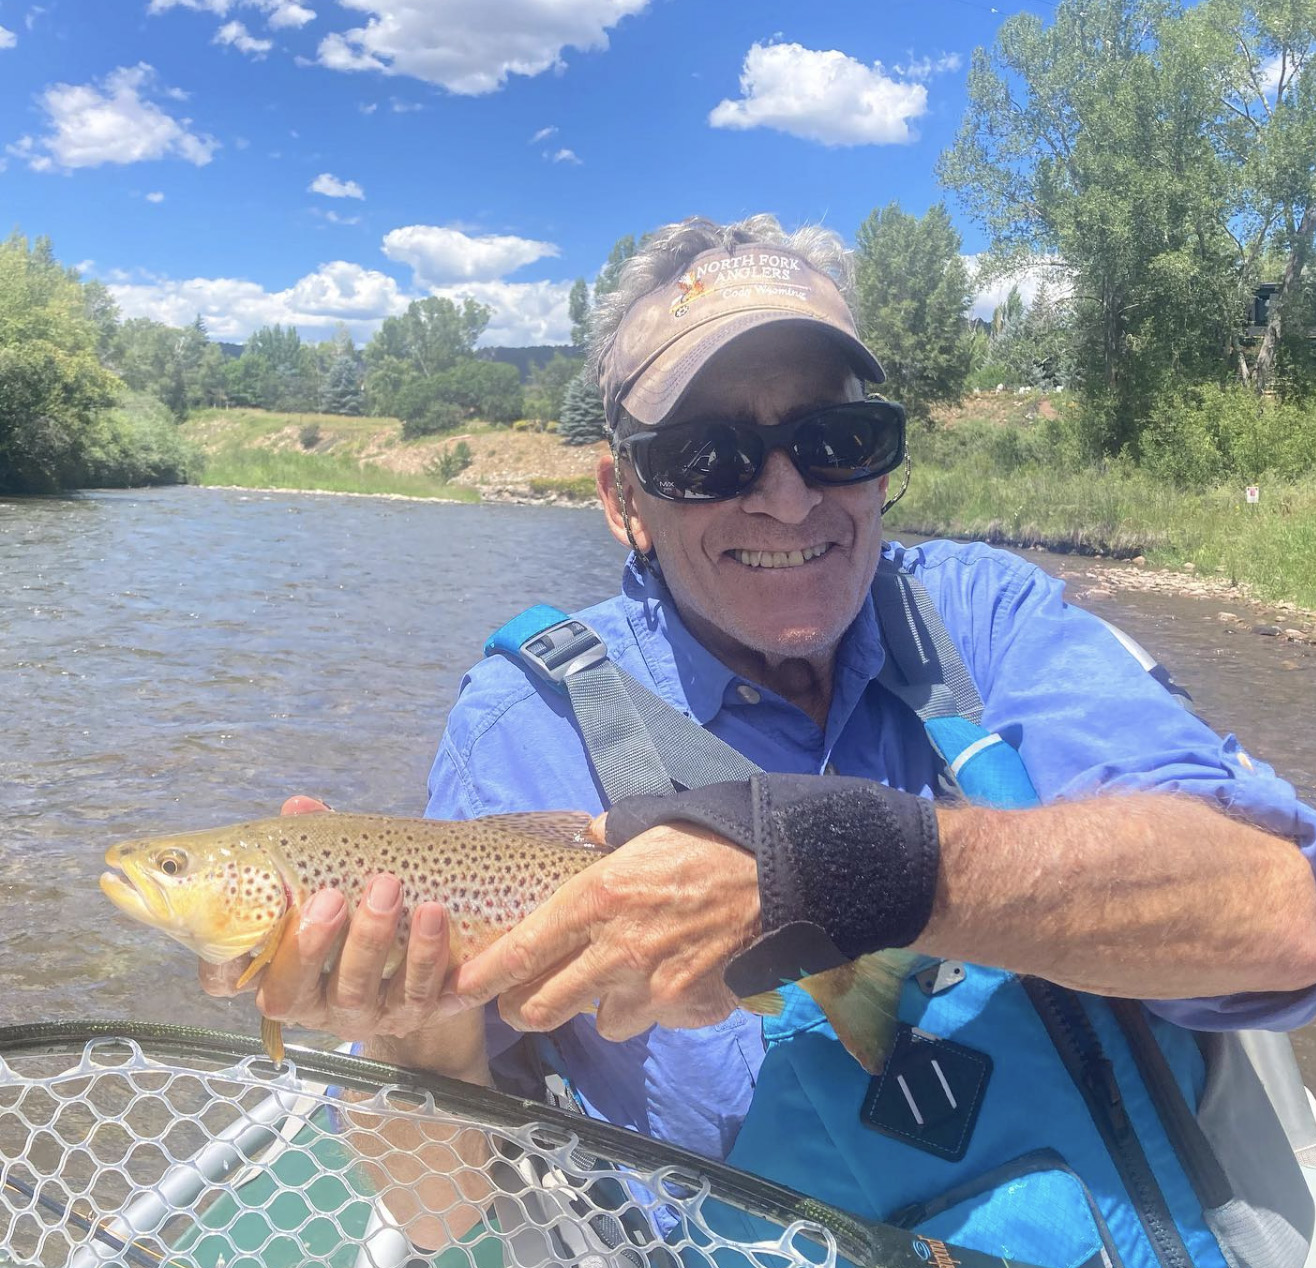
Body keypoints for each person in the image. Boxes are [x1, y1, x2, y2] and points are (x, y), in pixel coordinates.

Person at [203, 216, 1316, 1263]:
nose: (786, 501)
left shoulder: (986, 619)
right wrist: (415, 1034)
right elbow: (437, 1213)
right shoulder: (522, 727)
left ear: (885, 462)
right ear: (620, 495)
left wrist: (839, 871)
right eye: (706, 456)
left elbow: (1282, 917)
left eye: (836, 440)